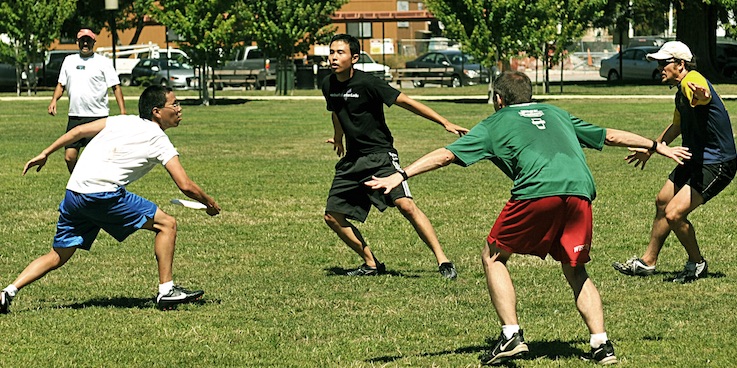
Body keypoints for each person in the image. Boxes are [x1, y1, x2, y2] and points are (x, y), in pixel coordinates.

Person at [365, 71, 691, 365]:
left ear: (498, 99)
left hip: (538, 191)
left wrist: (401, 173)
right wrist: (655, 145)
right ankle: (601, 345)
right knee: (576, 269)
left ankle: (510, 336)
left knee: (493, 256)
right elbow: (608, 135)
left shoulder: (496, 122)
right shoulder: (555, 112)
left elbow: (447, 155)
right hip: (580, 191)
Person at [0, 85, 220, 314]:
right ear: (156, 111)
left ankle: (7, 292)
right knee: (167, 224)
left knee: (58, 255)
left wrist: (46, 152)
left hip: (75, 193)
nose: (179, 108)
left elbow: (79, 132)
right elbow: (185, 185)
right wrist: (209, 203)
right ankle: (167, 291)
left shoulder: (122, 121)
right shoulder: (159, 140)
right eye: (174, 104)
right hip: (102, 194)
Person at [322, 34, 468, 279]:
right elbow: (337, 111)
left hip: (380, 155)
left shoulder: (369, 83)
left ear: (354, 58)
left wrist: (444, 122)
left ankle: (443, 261)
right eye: (331, 52)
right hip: (353, 160)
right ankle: (371, 264)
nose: (334, 57)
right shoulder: (328, 84)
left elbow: (407, 102)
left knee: (406, 205)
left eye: (340, 53)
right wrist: (338, 138)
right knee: (332, 216)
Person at [612, 41, 737, 283]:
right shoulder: (681, 93)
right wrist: (651, 148)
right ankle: (648, 262)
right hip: (694, 158)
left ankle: (697, 263)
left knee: (674, 214)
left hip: (717, 162)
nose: (660, 68)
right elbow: (676, 127)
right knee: (662, 201)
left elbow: (703, 92)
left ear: (680, 64)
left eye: (664, 63)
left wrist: (704, 95)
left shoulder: (693, 82)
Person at [48, 28, 126, 173]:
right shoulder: (69, 61)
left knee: (98, 158)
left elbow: (116, 87)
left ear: (93, 42)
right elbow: (61, 85)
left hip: (98, 116)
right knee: (69, 157)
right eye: (82, 40)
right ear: (77, 42)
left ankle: (97, 184)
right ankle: (78, 181)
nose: (85, 43)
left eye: (88, 40)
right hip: (75, 116)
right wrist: (54, 100)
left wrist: (122, 111)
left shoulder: (103, 62)